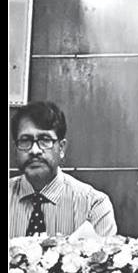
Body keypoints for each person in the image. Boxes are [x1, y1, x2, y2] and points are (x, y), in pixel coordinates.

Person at [9, 102, 118, 238]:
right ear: (15, 149)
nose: (35, 150)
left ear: (61, 148)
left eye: (45, 140)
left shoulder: (94, 205)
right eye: (25, 141)